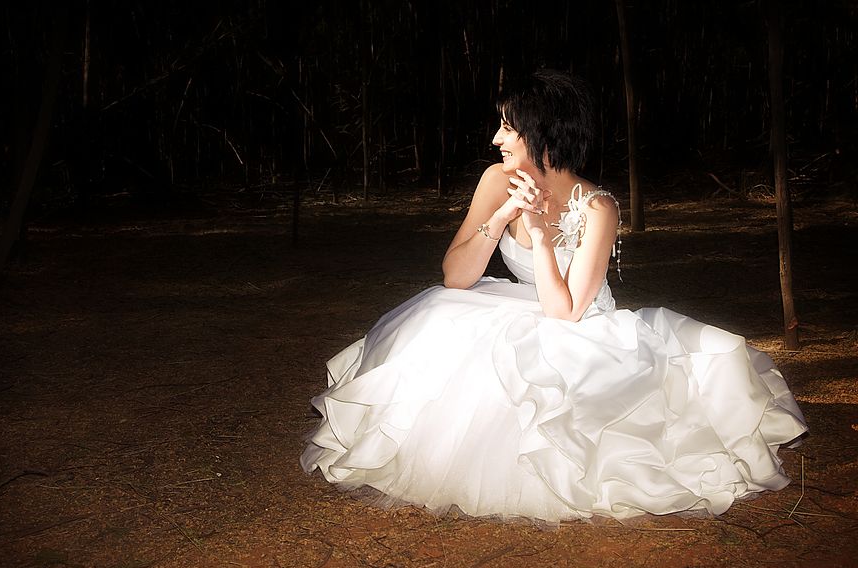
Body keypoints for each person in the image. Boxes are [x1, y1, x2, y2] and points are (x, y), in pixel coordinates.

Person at [300, 69, 808, 523]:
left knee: (547, 369)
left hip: (583, 325)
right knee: (442, 318)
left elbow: (565, 312)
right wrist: (501, 218)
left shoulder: (599, 208)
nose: (496, 137)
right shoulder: (497, 180)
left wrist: (541, 233)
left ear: (540, 133)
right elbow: (456, 276)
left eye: (507, 127)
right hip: (518, 304)